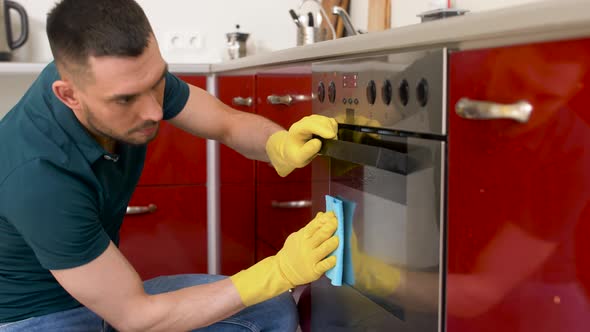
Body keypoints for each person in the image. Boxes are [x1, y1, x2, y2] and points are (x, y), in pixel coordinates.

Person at [0, 0, 340, 331]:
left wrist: (277, 144)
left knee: (273, 309)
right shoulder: (39, 177)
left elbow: (226, 123)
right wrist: (278, 272)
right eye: (126, 100)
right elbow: (137, 317)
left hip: (102, 299)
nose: (154, 112)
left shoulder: (115, 77)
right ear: (68, 96)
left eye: (157, 82)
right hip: (36, 318)